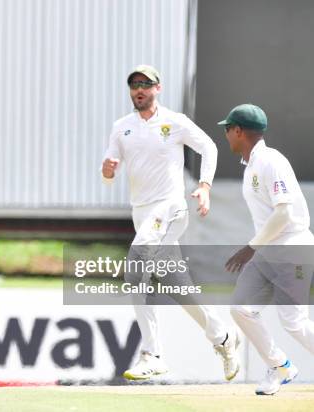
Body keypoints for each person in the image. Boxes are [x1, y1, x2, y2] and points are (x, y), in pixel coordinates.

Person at [101, 65, 239, 381]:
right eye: (134, 84)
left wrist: (204, 186)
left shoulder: (174, 121)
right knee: (180, 288)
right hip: (143, 214)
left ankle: (153, 354)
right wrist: (107, 172)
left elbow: (209, 147)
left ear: (157, 88)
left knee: (136, 266)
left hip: (171, 209)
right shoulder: (121, 127)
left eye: (145, 84)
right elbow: (110, 171)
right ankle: (223, 338)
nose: (139, 89)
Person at [221, 104, 314, 395]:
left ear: (238, 131)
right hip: (268, 252)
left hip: (293, 248)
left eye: (227, 130)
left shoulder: (271, 161)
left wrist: (250, 247)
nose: (226, 136)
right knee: (241, 309)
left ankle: (280, 367)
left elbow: (284, 213)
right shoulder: (251, 165)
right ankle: (280, 365)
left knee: (294, 323)